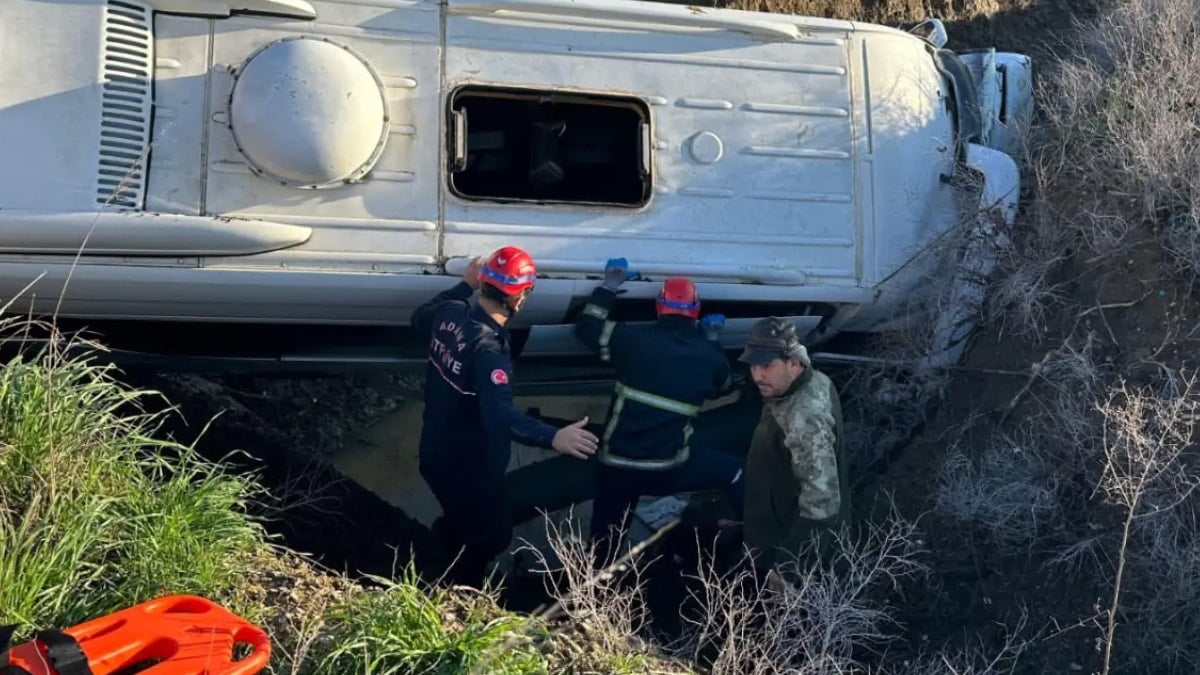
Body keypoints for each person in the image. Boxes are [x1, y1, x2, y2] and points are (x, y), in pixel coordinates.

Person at [411, 246, 600, 587]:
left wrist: (462, 285)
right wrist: (553, 437)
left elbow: (419, 317)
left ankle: (446, 539)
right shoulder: (489, 352)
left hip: (435, 451)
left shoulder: (450, 312)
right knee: (491, 538)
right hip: (470, 469)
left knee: (460, 517)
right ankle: (460, 583)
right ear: (520, 299)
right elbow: (498, 416)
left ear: (482, 284)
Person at [574, 258, 746, 568]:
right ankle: (756, 549)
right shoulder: (710, 359)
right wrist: (711, 340)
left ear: (659, 307)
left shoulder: (631, 340)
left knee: (603, 549)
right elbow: (723, 386)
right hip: (667, 470)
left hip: (617, 469)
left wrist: (609, 285)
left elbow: (586, 327)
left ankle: (595, 596)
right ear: (695, 311)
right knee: (735, 471)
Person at [737, 316, 852, 582]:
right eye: (753, 366)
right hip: (780, 529)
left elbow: (822, 506)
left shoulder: (804, 418)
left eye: (766, 365)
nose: (757, 375)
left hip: (797, 560)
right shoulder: (814, 381)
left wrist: (786, 569)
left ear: (794, 363)